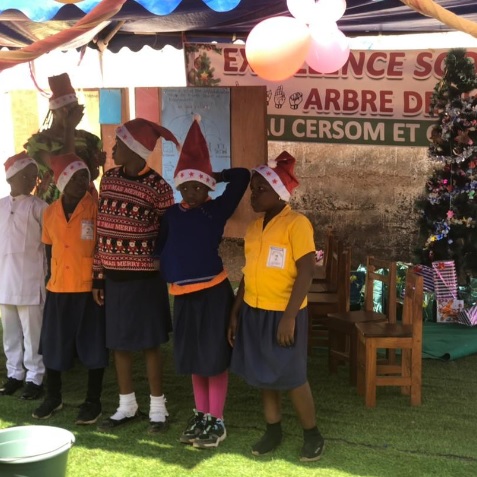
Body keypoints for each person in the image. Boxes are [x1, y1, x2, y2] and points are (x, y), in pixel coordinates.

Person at [154, 116, 250, 448]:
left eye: (199, 186)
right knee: (194, 357)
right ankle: (201, 415)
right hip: (183, 296)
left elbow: (242, 177)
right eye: (187, 186)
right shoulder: (169, 215)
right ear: (178, 186)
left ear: (208, 187)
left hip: (213, 294)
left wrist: (218, 176)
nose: (192, 192)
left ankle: (217, 421)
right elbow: (161, 247)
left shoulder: (215, 210)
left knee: (213, 357)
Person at [228, 151, 325, 462]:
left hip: (284, 313)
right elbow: (247, 271)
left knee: (292, 375)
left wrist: (290, 317)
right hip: (254, 310)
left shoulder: (297, 224)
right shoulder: (255, 227)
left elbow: (307, 271)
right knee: (262, 374)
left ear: (279, 193)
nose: (252, 195)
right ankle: (274, 429)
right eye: (252, 189)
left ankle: (312, 434)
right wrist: (235, 309)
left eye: (260, 189)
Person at [92, 118, 179, 433]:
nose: (112, 149)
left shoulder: (159, 188)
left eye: (117, 144)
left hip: (144, 281)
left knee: (150, 343)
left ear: (132, 148)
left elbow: (169, 235)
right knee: (119, 344)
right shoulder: (109, 180)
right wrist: (98, 276)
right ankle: (126, 405)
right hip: (114, 281)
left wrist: (157, 264)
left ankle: (158, 408)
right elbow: (102, 230)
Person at [32, 153, 108, 424]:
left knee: (93, 346)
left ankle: (93, 401)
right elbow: (49, 250)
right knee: (54, 345)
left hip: (88, 288)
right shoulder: (50, 212)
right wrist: (49, 281)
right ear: (62, 181)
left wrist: (99, 282)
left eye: (84, 176)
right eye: (74, 177)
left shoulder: (96, 208)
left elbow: (101, 247)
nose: (80, 182)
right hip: (58, 289)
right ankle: (53, 397)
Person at [0, 152, 47, 400]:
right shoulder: (0, 206)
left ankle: (35, 377)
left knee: (33, 334)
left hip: (30, 280)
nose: (31, 180)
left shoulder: (39, 207)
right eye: (25, 175)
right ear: (10, 178)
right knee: (10, 333)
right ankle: (14, 374)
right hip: (4, 281)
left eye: (34, 176)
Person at [24, 72, 106, 204]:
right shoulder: (38, 143)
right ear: (54, 112)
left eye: (75, 109)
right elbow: (65, 165)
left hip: (84, 204)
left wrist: (95, 162)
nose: (72, 114)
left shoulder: (88, 139)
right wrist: (69, 128)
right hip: (51, 206)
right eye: (67, 110)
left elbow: (91, 175)